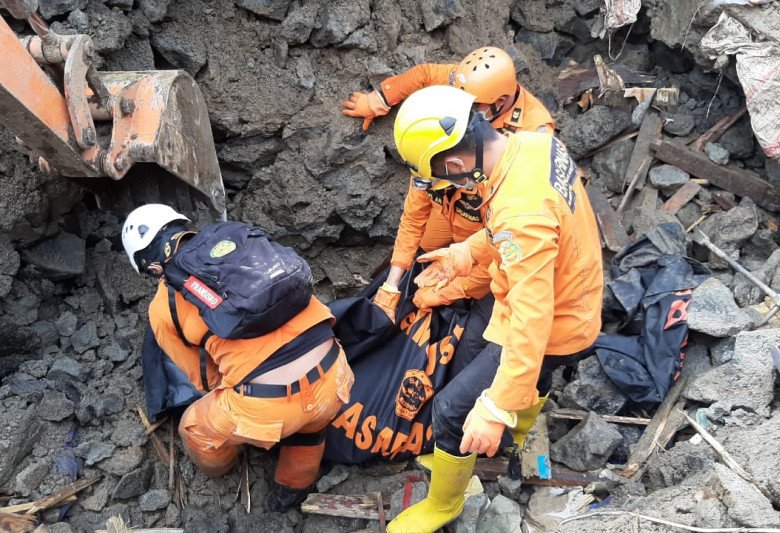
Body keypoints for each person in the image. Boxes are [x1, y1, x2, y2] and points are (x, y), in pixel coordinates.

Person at [386, 86, 604, 533]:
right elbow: (536, 226)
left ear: (455, 163)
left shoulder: (518, 214)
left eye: (444, 178)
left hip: (554, 323)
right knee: (512, 370)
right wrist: (466, 252)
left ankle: (444, 504)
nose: (451, 186)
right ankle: (517, 434)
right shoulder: (535, 144)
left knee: (451, 409)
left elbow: (531, 320)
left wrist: (495, 407)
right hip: (577, 300)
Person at [121, 204, 354, 511]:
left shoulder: (163, 307)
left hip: (270, 409)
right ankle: (293, 490)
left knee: (194, 429)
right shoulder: (240, 242)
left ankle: (224, 471)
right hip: (336, 375)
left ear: (151, 268)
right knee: (311, 428)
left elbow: (204, 379)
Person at [342, 46, 555, 323]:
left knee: (476, 281)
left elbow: (505, 240)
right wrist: (393, 282)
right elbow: (415, 209)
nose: (461, 110)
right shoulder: (461, 90)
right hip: (448, 204)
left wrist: (453, 290)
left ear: (500, 101)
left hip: (484, 218)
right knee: (426, 250)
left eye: (472, 108)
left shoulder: (531, 139)